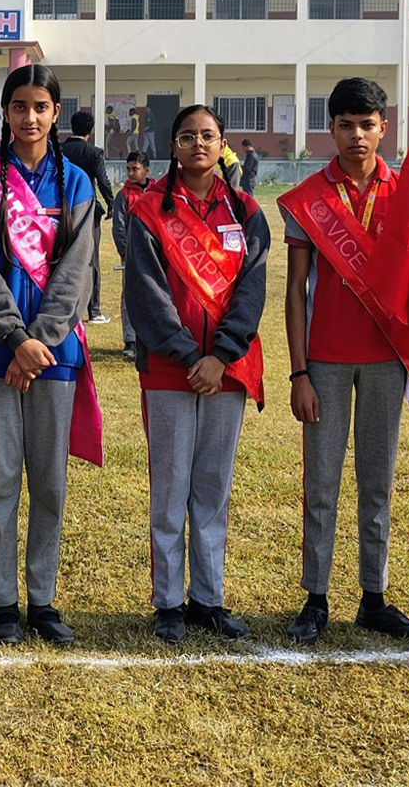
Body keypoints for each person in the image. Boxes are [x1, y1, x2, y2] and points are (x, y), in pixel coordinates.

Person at [277, 78, 409, 646]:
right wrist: (299, 372)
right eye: (346, 124)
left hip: (386, 357)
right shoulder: (309, 199)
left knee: (378, 482)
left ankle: (374, 597)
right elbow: (296, 290)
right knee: (322, 483)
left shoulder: (408, 193)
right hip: (325, 360)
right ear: (330, 128)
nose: (357, 135)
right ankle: (316, 596)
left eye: (367, 124)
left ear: (384, 127)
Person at [0, 64, 100, 645]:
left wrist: (39, 340)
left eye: (41, 106)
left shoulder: (78, 186)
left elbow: (76, 273)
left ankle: (41, 598)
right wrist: (17, 340)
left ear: (55, 113)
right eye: (19, 106)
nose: (30, 117)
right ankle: (3, 603)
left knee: (48, 481)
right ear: (6, 112)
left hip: (56, 356)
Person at [124, 105, 269, 643]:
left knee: (212, 486)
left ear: (223, 143)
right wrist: (189, 357)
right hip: (170, 371)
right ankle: (167, 603)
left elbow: (252, 290)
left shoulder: (247, 211)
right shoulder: (147, 211)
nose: (199, 145)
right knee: (170, 489)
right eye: (188, 136)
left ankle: (209, 598)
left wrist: (221, 354)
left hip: (226, 371)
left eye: (208, 136)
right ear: (175, 145)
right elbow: (146, 293)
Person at [58, 109, 115, 324]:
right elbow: (102, 180)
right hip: (88, 210)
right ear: (90, 131)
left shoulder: (58, 150)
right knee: (91, 259)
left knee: (62, 257)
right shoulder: (94, 152)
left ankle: (64, 308)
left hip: (61, 211)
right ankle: (94, 310)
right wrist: (111, 204)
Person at [111, 151, 152, 358]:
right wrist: (125, 252)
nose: (130, 173)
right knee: (130, 297)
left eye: (134, 169)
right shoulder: (124, 196)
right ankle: (130, 340)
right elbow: (118, 227)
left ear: (146, 170)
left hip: (156, 255)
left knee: (155, 295)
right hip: (131, 254)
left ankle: (151, 339)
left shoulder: (158, 193)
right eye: (128, 169)